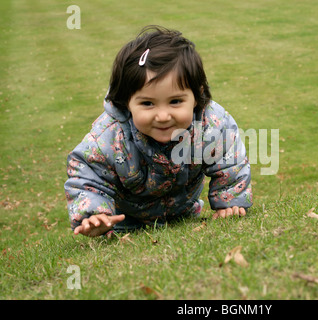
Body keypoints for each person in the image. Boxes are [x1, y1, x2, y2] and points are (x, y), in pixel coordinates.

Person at [64, 25, 252, 237]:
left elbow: (229, 158)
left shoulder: (210, 124)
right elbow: (86, 172)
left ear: (197, 95)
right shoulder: (109, 136)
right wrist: (93, 214)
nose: (163, 116)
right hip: (125, 224)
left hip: (183, 215)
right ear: (127, 102)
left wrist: (228, 201)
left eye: (175, 101)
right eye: (147, 104)